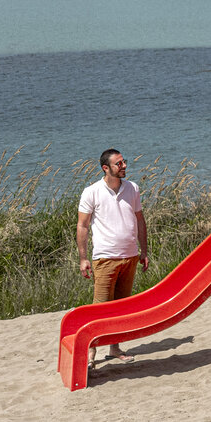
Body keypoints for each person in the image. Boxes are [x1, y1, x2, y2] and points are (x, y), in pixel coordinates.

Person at [77, 148, 149, 365]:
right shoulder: (92, 192)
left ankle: (115, 349)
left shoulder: (132, 188)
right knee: (100, 307)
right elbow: (82, 225)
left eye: (124, 162)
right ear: (106, 168)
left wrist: (144, 250)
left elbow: (140, 220)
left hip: (130, 257)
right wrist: (83, 258)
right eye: (119, 164)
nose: (124, 166)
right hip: (105, 258)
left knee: (121, 307)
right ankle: (90, 353)